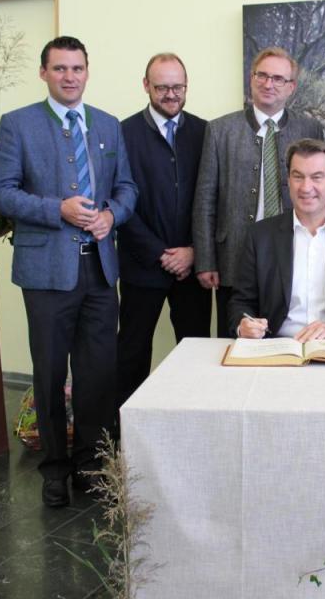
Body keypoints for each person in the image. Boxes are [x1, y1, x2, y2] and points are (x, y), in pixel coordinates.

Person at [0, 36, 138, 507]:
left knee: (97, 375)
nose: (69, 77)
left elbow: (127, 188)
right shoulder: (19, 124)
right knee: (50, 374)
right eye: (60, 68)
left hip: (100, 272)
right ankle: (54, 469)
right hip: (47, 273)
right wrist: (58, 209)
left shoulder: (108, 125)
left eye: (77, 68)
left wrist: (112, 214)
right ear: (44, 73)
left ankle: (90, 466)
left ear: (87, 72)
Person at [193, 47, 324, 337]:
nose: (268, 84)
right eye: (261, 75)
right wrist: (205, 260)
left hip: (295, 254)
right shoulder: (220, 130)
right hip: (234, 256)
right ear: (251, 79)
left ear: (291, 87)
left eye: (278, 79)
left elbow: (322, 193)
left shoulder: (310, 129)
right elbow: (205, 199)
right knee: (237, 339)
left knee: (290, 337)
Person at [116, 53, 211, 408]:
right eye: (162, 87)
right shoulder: (122, 133)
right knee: (132, 352)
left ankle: (194, 420)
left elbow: (212, 198)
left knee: (196, 353)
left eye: (178, 87)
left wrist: (194, 251)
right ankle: (124, 431)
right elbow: (119, 202)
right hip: (141, 265)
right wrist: (159, 253)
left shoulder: (205, 132)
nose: (171, 94)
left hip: (192, 266)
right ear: (146, 86)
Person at [229, 139, 325, 341]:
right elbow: (241, 302)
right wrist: (243, 324)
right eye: (298, 177)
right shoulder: (260, 235)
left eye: (316, 177)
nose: (306, 187)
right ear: (288, 179)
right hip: (278, 346)